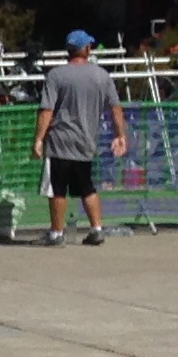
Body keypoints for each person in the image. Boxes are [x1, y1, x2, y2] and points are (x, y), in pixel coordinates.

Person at [37, 30, 129, 245]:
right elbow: (115, 107)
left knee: (57, 189)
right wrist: (120, 134)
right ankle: (96, 228)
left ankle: (57, 233)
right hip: (86, 140)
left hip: (59, 140)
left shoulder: (56, 75)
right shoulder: (102, 76)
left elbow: (46, 110)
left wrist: (39, 138)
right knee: (86, 187)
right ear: (87, 49)